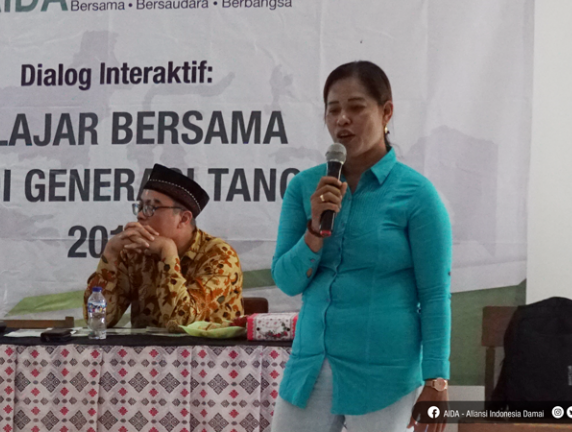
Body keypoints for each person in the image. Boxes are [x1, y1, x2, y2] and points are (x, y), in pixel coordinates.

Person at [271, 61, 452, 432]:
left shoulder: (417, 194)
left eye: (356, 107)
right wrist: (313, 228)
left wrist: (436, 379)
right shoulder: (305, 187)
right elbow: (287, 281)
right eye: (333, 109)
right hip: (310, 365)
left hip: (385, 373)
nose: (342, 120)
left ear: (386, 112)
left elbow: (435, 295)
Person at [83, 164, 243, 332]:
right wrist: (111, 253)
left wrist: (168, 252)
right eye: (140, 207)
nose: (140, 215)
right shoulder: (135, 252)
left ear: (183, 219)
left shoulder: (220, 256)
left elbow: (181, 323)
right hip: (145, 348)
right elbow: (97, 320)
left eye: (151, 208)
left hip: (208, 348)